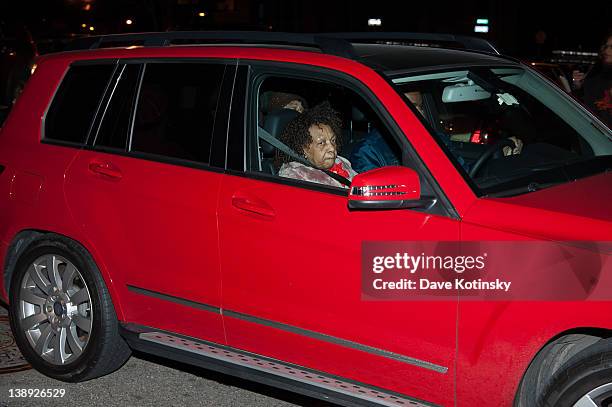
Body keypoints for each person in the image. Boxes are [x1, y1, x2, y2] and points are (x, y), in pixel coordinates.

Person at [276, 102, 357, 188]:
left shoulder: (341, 162)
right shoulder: (295, 177)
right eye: (321, 143)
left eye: (333, 140)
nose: (332, 148)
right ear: (303, 148)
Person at [572, 33, 612, 127]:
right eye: (606, 46)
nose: (607, 50)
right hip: (589, 129)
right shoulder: (597, 70)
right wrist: (577, 84)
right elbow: (582, 99)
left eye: (611, 47)